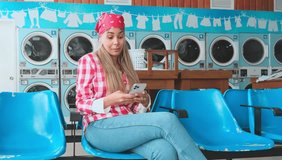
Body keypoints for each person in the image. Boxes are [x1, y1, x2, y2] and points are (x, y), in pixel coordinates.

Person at [76, 12, 207, 160]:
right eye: (110, 36)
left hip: (126, 127)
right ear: (101, 37)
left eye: (120, 36)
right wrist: (109, 100)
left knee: (165, 150)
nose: (116, 42)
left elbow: (132, 111)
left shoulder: (125, 65)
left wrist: (142, 102)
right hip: (99, 128)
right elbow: (80, 104)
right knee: (167, 120)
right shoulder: (89, 61)